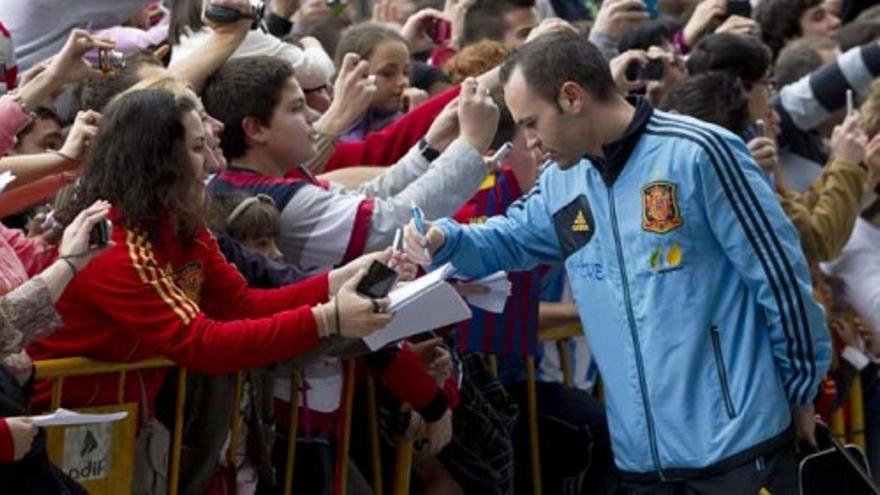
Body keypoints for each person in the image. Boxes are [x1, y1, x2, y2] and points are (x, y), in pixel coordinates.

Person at [405, 31, 831, 492]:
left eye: (532, 122)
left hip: (739, 447)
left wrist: (800, 390)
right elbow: (510, 239)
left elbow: (779, 278)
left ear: (572, 97)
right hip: (641, 462)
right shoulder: (564, 183)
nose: (530, 140)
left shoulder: (698, 153)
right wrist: (443, 237)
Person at [27, 89, 393, 414]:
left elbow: (240, 303)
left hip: (119, 417)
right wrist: (328, 319)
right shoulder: (111, 244)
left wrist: (335, 282)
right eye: (198, 148)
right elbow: (199, 342)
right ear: (160, 161)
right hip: (63, 420)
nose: (214, 163)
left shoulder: (179, 222)